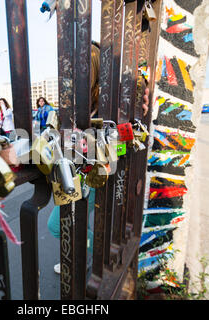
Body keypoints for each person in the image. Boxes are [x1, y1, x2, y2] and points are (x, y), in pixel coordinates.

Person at [48, 42, 151, 274]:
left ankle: (98, 253)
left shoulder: (108, 106)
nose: (71, 75)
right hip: (72, 170)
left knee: (60, 224)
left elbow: (121, 139)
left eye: (78, 69)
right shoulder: (73, 105)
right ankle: (82, 254)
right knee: (63, 223)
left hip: (94, 172)